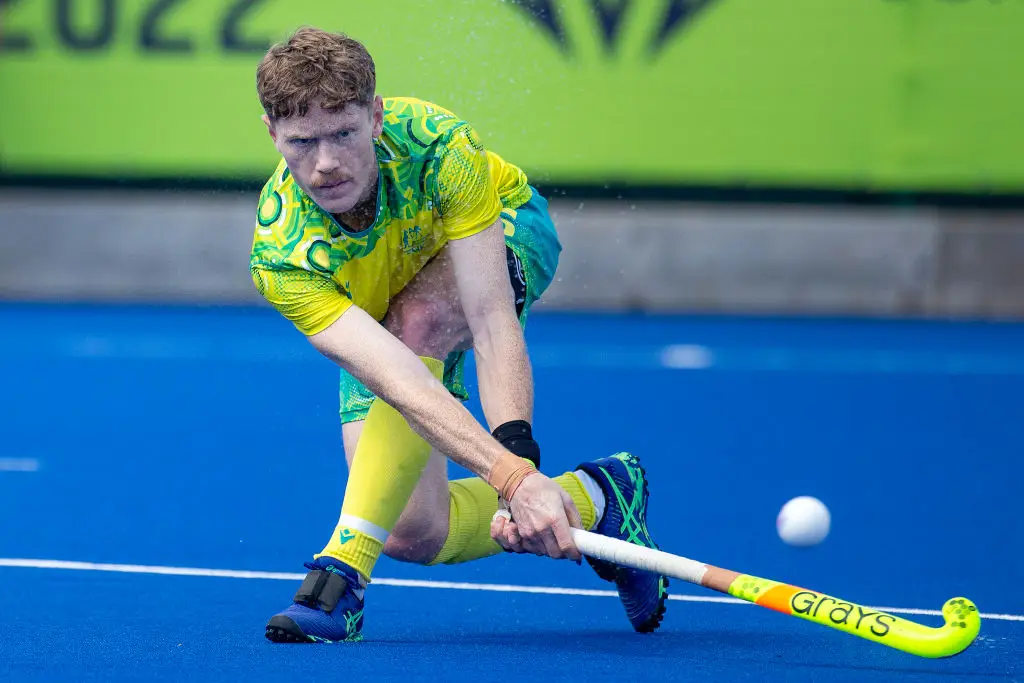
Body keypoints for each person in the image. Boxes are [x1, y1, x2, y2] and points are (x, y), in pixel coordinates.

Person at [249, 26, 668, 644]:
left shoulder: (441, 147)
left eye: (344, 133)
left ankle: (339, 578)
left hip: (509, 233)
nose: (327, 163)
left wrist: (517, 464)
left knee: (420, 321)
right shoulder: (282, 257)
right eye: (302, 143)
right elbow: (402, 384)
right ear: (272, 135)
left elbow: (492, 317)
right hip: (384, 313)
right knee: (413, 534)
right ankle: (603, 497)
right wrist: (516, 487)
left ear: (376, 114)